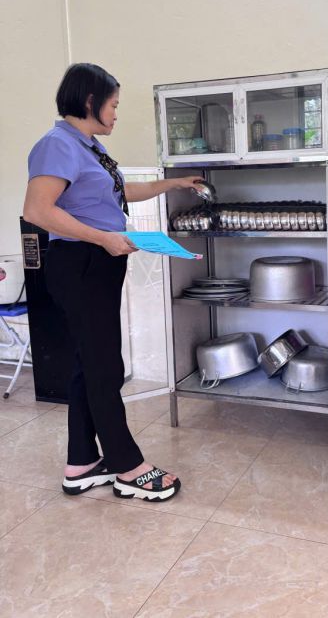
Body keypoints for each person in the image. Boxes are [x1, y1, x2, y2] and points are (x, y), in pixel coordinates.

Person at [23, 63, 204, 503]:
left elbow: (118, 193)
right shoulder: (57, 145)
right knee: (105, 368)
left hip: (97, 262)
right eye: (114, 105)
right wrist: (103, 238)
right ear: (90, 101)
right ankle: (127, 466)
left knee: (90, 364)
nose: (117, 114)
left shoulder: (88, 147)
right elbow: (37, 210)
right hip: (80, 263)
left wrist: (173, 183)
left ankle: (81, 463)